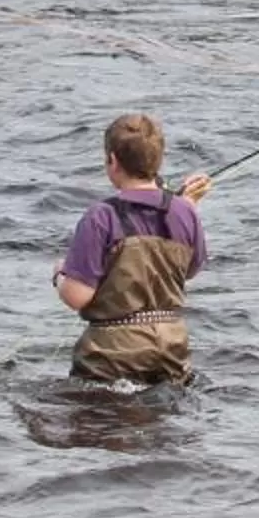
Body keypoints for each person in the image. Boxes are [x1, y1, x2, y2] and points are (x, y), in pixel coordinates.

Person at [54, 114, 213, 384]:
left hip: (112, 354)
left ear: (113, 161)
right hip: (171, 347)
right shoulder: (184, 211)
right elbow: (190, 269)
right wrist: (185, 208)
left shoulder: (100, 217)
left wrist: (60, 276)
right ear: (158, 159)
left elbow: (77, 297)